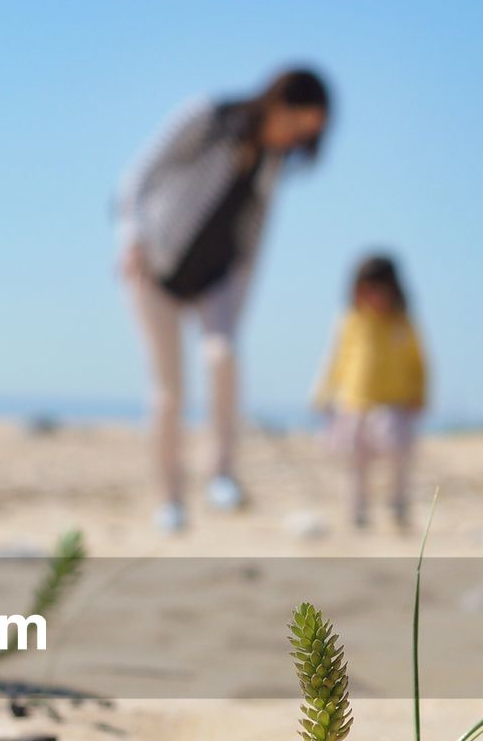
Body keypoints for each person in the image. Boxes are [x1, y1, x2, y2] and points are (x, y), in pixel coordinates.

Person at [118, 67, 330, 532]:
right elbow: (140, 173)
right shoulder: (208, 118)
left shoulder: (271, 167)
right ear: (279, 102)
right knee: (168, 395)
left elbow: (254, 240)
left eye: (305, 137)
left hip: (217, 280)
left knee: (223, 356)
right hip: (154, 265)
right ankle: (170, 500)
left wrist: (238, 304)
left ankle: (222, 473)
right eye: (296, 126)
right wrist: (131, 235)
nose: (294, 139)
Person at [312, 254, 428, 530]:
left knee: (398, 452)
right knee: (356, 461)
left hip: (393, 402)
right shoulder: (350, 320)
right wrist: (321, 393)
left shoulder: (402, 323)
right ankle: (358, 510)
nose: (373, 297)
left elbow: (418, 362)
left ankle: (398, 503)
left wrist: (419, 392)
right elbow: (334, 360)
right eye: (366, 290)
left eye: (379, 290)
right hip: (353, 403)